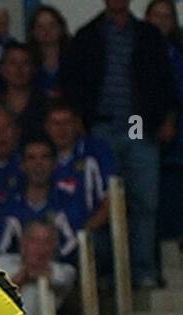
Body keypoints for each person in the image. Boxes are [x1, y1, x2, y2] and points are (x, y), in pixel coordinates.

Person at [63, 0, 177, 290]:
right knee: (104, 203)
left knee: (143, 201)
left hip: (138, 124)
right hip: (101, 127)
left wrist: (168, 117)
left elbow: (165, 80)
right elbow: (73, 82)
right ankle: (108, 271)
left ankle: (143, 271)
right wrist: (78, 118)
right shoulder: (88, 35)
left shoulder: (146, 34)